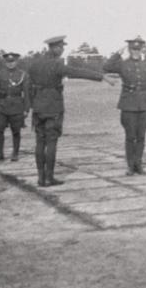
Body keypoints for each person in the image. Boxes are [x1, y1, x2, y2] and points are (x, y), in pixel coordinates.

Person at [28, 36, 115, 187]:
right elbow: (76, 72)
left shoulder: (34, 64)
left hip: (38, 108)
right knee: (52, 142)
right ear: (55, 48)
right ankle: (49, 177)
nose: (62, 50)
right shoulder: (56, 64)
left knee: (40, 143)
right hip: (53, 107)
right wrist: (101, 76)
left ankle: (41, 178)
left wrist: (33, 105)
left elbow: (29, 86)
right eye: (61, 47)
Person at [103, 36, 146, 176]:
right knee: (130, 136)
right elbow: (106, 67)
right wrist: (117, 54)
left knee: (141, 136)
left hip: (144, 105)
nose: (136, 52)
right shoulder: (122, 64)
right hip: (128, 105)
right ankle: (130, 166)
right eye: (133, 49)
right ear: (129, 49)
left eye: (138, 49)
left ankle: (138, 164)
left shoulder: (145, 64)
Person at [0, 52, 31, 162]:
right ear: (5, 62)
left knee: (16, 131)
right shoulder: (0, 74)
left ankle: (15, 153)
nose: (10, 64)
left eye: (12, 61)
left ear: (16, 62)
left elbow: (26, 93)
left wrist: (26, 109)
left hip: (17, 107)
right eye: (8, 62)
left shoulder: (23, 75)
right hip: (2, 106)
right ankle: (0, 153)